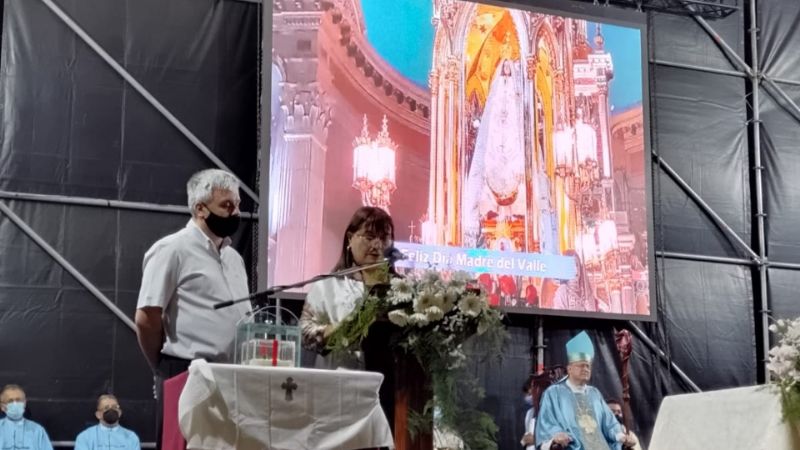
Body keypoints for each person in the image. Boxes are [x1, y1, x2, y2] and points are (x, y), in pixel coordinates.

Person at [134, 168, 251, 447]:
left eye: (237, 205)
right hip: (187, 372)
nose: (235, 212)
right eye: (226, 205)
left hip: (231, 375)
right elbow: (146, 317)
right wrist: (161, 367)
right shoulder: (172, 249)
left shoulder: (234, 258)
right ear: (200, 208)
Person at [300, 206, 396, 427]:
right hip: (338, 394)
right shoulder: (327, 286)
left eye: (384, 238)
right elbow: (305, 334)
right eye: (369, 237)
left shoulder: (401, 289)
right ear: (350, 239)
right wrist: (343, 328)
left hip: (389, 395)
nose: (377, 245)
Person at [536, 332, 635, 450]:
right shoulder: (553, 393)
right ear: (569, 369)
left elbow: (609, 423)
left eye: (588, 366)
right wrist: (556, 436)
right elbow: (547, 423)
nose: (586, 369)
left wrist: (621, 437)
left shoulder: (594, 393)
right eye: (581, 365)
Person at [74, 394, 141, 450]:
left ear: (120, 412)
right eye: (106, 408)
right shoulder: (85, 437)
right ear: (98, 414)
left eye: (115, 407)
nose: (111, 410)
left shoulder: (131, 437)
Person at [0, 384, 53, 450]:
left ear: (24, 403)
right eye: (10, 401)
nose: (15, 404)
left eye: (18, 400)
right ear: (2, 406)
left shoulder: (37, 430)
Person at [520, 375, 536, 449]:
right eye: (526, 394)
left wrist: (536, 440)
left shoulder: (551, 412)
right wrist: (524, 441)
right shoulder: (529, 413)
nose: (527, 397)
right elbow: (525, 439)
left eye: (530, 394)